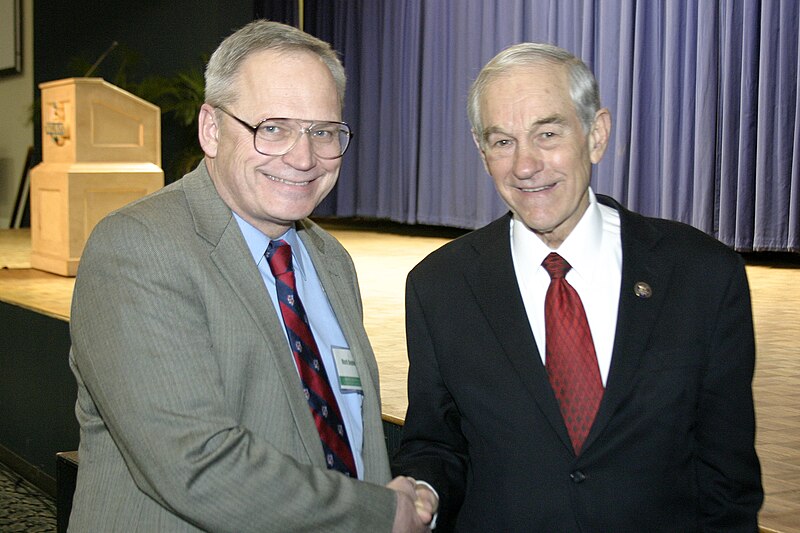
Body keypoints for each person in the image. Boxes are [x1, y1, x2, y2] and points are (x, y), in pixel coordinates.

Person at [68, 20, 435, 532]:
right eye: (274, 128)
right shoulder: (138, 248)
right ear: (212, 129)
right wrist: (379, 515)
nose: (303, 157)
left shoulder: (328, 258)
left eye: (323, 132)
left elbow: (349, 430)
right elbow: (195, 465)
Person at [392, 42, 763, 532]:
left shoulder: (703, 275)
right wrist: (425, 490)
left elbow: (727, 479)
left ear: (597, 135)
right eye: (503, 142)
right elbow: (437, 444)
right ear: (483, 154)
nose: (525, 165)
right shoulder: (439, 287)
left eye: (547, 134)